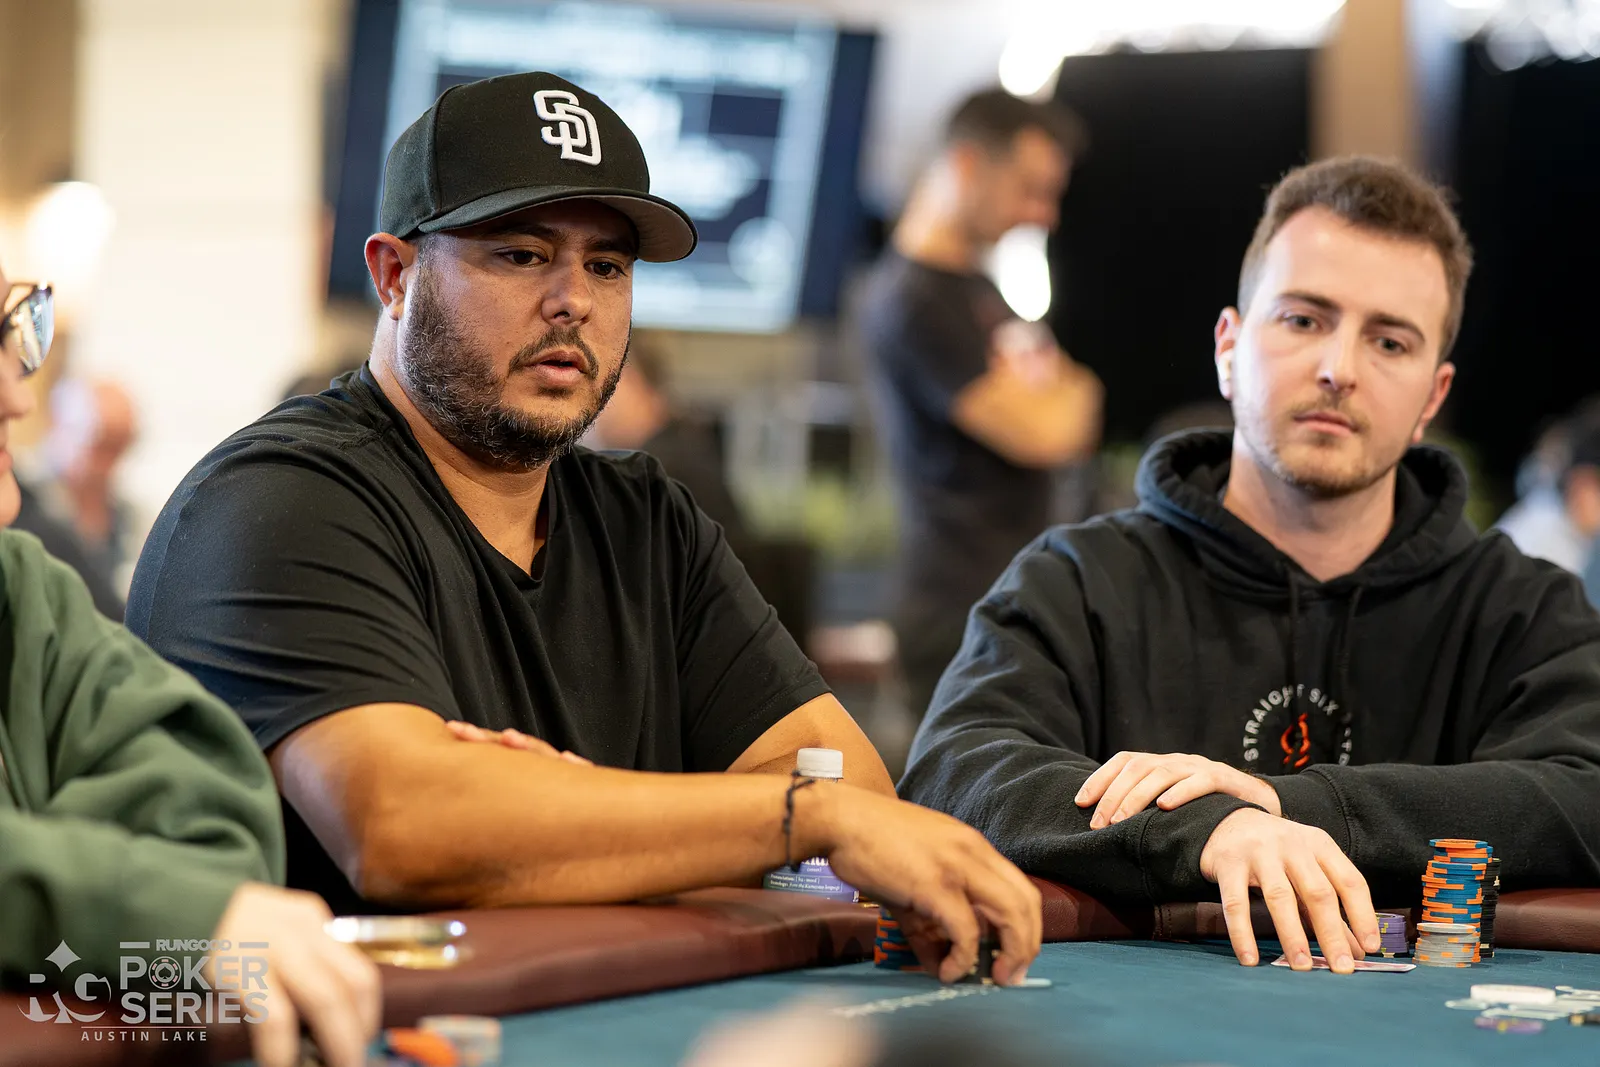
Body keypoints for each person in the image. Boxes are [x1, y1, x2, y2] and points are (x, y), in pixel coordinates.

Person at [126, 72, 1041, 986]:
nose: (574, 299)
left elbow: (849, 782)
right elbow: (406, 831)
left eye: (607, 266)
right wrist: (796, 818)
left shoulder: (648, 522)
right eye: (522, 254)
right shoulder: (280, 501)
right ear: (394, 275)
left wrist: (552, 809)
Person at [901, 157, 1600, 976]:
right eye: (1304, 319)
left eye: (1389, 340)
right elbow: (955, 768)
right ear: (1229, 349)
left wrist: (1285, 801)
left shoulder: (1524, 608)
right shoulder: (1076, 580)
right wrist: (1208, 827)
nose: (1339, 368)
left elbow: (1586, 790)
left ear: (1432, 399)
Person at [0, 271, 378, 1067]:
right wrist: (158, 908)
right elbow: (205, 899)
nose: (16, 396)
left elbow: (221, 827)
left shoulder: (23, 585)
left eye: (11, 332)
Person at [855, 88, 1104, 723]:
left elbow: (1078, 407)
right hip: (955, 611)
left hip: (1010, 596)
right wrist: (1066, 395)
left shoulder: (981, 289)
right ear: (967, 165)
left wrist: (1069, 398)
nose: (1044, 214)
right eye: (1030, 189)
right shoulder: (913, 301)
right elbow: (1048, 431)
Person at [588, 332, 751, 548]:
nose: (596, 409)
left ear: (634, 382)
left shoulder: (660, 465)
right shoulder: (681, 444)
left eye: (605, 385)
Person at [12, 377, 140, 618]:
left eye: (119, 447)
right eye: (102, 444)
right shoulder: (28, 506)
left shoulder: (128, 517)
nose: (107, 464)